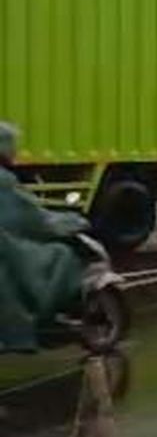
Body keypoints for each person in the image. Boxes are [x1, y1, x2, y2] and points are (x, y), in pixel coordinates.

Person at [0, 123, 91, 351]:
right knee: (60, 255)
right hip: (6, 248)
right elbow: (32, 219)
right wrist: (70, 222)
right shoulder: (4, 181)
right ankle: (36, 323)